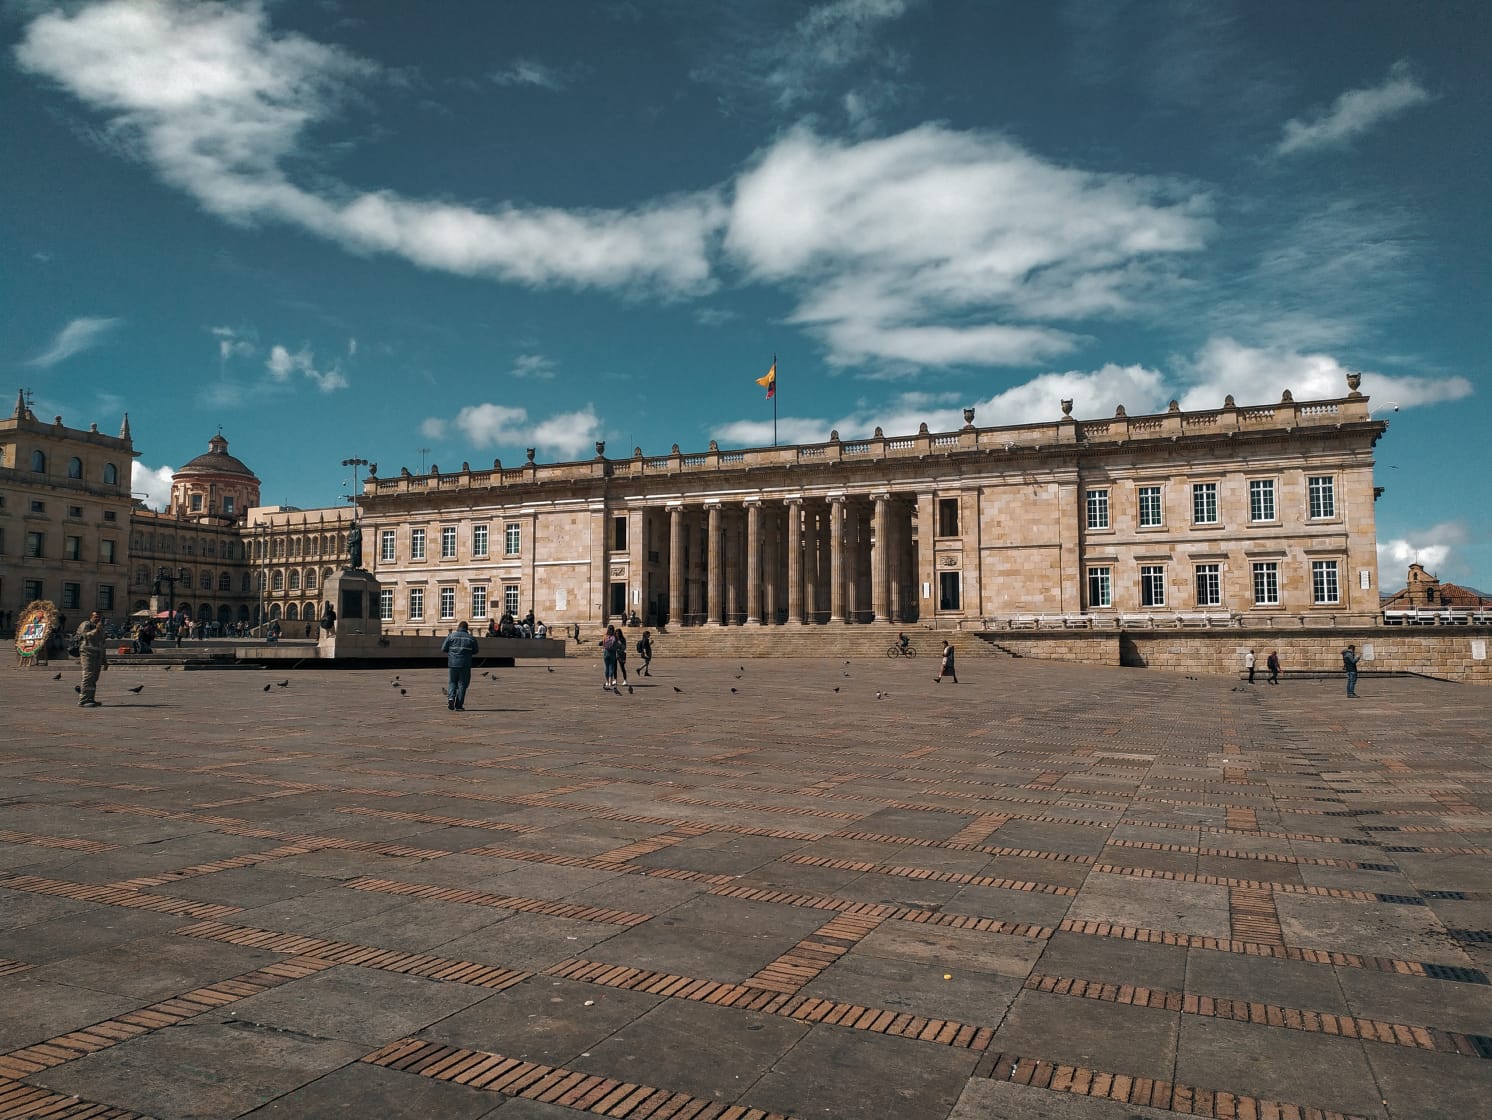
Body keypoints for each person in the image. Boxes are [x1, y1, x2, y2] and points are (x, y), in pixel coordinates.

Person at [441, 620, 479, 711]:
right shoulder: (471, 638)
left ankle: (451, 698)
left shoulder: (451, 636)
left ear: (458, 627)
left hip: (453, 663)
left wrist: (451, 652)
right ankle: (458, 705)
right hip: (465, 664)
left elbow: (443, 649)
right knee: (462, 684)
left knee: (452, 682)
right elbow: (476, 651)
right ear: (467, 628)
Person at [75, 610, 108, 707]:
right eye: (96, 617)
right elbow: (85, 636)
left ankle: (90, 698)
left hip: (97, 655)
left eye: (100, 617)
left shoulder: (101, 628)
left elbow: (103, 644)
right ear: (91, 617)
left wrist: (105, 661)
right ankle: (83, 700)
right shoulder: (86, 624)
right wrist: (96, 630)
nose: (98, 619)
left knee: (94, 677)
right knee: (88, 675)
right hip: (87, 654)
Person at [601, 625, 619, 692]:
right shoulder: (615, 637)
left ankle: (606, 682)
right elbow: (617, 645)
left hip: (606, 653)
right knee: (611, 667)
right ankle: (610, 682)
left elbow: (603, 645)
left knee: (606, 667)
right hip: (612, 653)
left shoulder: (605, 636)